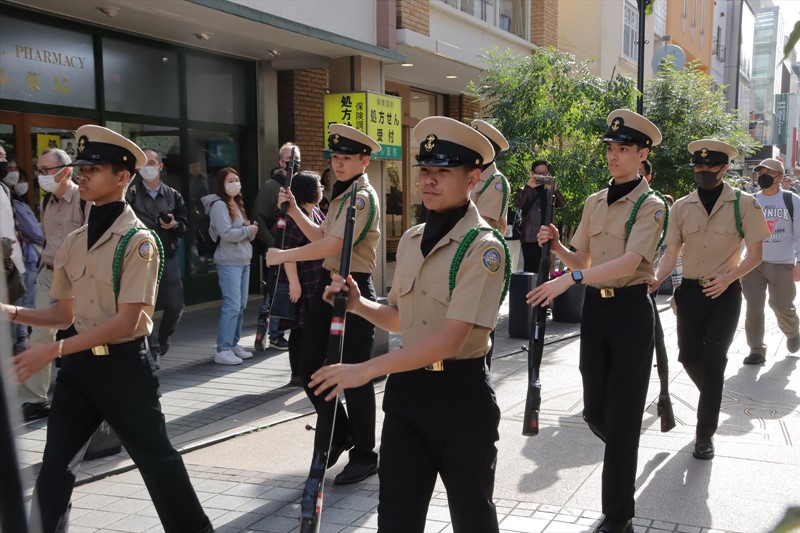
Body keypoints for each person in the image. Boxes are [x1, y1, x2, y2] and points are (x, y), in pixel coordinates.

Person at [1, 125, 213, 533]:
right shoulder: (73, 241)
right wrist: (9, 311)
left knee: (159, 463)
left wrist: (52, 351)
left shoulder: (139, 241)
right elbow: (63, 315)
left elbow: (127, 321)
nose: (82, 176)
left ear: (122, 177)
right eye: (81, 169)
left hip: (124, 369)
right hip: (79, 371)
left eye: (93, 169)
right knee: (55, 468)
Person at [309, 116, 507, 533]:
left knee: (472, 517)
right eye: (425, 169)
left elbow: (451, 339)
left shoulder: (484, 248)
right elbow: (401, 317)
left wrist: (364, 370)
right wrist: (359, 303)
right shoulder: (413, 238)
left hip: (461, 397)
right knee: (396, 517)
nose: (428, 180)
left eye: (443, 171)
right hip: (408, 397)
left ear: (473, 179)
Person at [528, 109, 665, 533]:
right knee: (594, 410)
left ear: (642, 154)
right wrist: (558, 247)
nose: (614, 155)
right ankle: (624, 445)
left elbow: (630, 262)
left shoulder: (651, 205)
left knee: (622, 417)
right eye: (610, 148)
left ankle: (619, 515)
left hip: (630, 311)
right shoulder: (594, 201)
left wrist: (570, 279)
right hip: (598, 311)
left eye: (623, 148)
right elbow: (583, 260)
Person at [266, 123, 381, 485]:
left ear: (364, 161)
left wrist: (283, 254)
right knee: (309, 365)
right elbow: (321, 234)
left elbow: (334, 245)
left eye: (347, 157)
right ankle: (340, 432)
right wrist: (294, 211)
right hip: (328, 287)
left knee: (356, 374)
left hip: (353, 287)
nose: (339, 163)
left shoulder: (362, 197)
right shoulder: (342, 194)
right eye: (335, 157)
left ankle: (365, 454)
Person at [652, 139, 769, 461]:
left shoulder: (744, 204)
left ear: (724, 168)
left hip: (724, 294)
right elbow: (671, 252)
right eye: (698, 167)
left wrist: (729, 277)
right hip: (690, 292)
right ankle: (713, 397)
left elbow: (756, 254)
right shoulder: (681, 206)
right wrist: (657, 278)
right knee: (688, 357)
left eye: (710, 166)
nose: (703, 171)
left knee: (715, 361)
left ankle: (704, 435)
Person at [22, 148, 88, 421]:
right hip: (49, 274)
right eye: (39, 170)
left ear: (66, 171)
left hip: (78, 277)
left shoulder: (85, 199)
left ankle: (87, 393)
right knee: (40, 333)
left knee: (81, 333)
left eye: (46, 170)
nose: (41, 175)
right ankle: (36, 400)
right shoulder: (47, 201)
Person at [126, 148, 189, 366]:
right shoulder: (130, 193)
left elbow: (184, 227)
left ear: (160, 166)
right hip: (140, 258)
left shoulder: (173, 195)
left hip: (167, 255)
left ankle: (163, 339)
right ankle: (152, 349)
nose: (148, 167)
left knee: (175, 305)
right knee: (145, 306)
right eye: (144, 163)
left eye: (152, 163)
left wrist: (174, 225)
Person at [738, 158, 800, 364]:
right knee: (753, 307)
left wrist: (799, 261)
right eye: (760, 173)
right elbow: (742, 233)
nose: (762, 176)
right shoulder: (751, 200)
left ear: (780, 177)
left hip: (783, 263)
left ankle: (792, 331)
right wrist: (737, 260)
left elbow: (799, 233)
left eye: (768, 173)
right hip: (753, 264)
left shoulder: (791, 200)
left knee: (781, 305)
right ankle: (756, 349)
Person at [203, 167, 258, 365]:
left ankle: (233, 344)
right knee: (232, 305)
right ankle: (223, 348)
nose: (235, 184)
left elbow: (242, 233)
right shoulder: (219, 205)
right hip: (228, 261)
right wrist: (248, 230)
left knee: (240, 306)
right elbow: (226, 234)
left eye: (236, 180)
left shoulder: (236, 203)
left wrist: (249, 231)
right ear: (221, 184)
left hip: (243, 259)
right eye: (230, 181)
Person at [277, 170, 326, 386]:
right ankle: (297, 374)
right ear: (309, 191)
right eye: (319, 186)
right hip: (303, 280)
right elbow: (287, 252)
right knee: (299, 328)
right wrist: (294, 284)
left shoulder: (316, 213)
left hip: (316, 279)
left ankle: (309, 370)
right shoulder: (294, 218)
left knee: (310, 327)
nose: (322, 190)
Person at [252, 143, 301, 351]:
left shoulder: (301, 183)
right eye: (290, 160)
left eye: (297, 160)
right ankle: (273, 333)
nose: (294, 164)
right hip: (278, 245)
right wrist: (273, 245)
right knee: (275, 290)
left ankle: (287, 329)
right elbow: (258, 218)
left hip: (298, 247)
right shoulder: (270, 187)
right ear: (281, 162)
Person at [8, 168, 44, 354]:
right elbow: (35, 233)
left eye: (22, 178)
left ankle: (22, 338)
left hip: (27, 258)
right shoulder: (15, 203)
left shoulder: (21, 203)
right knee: (25, 301)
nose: (20, 182)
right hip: (25, 258)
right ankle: (22, 338)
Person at [515, 160, 566, 273]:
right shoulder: (526, 189)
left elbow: (562, 204)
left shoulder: (549, 190)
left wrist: (555, 189)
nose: (542, 176)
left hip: (546, 236)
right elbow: (518, 204)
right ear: (532, 173)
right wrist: (528, 187)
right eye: (538, 173)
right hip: (530, 237)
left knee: (543, 269)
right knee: (530, 270)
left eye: (544, 173)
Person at [470, 119, 510, 234]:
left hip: (479, 242)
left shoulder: (496, 181)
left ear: (490, 152)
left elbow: (480, 223)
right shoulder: (469, 173)